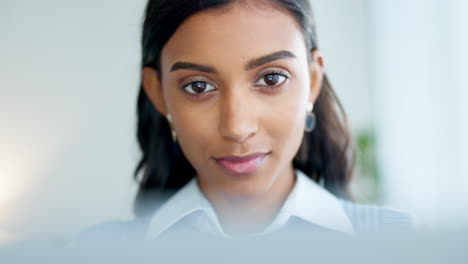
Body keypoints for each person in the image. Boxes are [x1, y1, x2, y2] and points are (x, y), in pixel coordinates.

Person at [80, 0, 414, 243]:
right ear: (159, 93)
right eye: (198, 86)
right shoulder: (95, 252)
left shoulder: (399, 241)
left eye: (271, 79)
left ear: (312, 81)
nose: (237, 127)